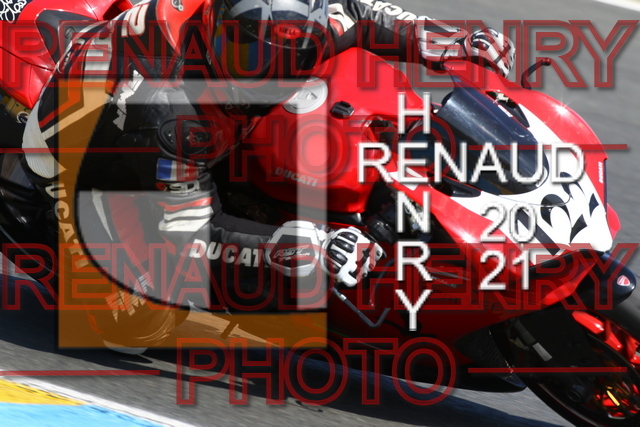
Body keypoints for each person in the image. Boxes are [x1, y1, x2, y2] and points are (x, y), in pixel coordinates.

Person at [22, 0, 515, 350]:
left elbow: (358, 14)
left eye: (290, 58)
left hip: (189, 108)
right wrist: (285, 246)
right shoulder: (170, 115)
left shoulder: (284, 26)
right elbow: (188, 238)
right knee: (135, 324)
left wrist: (452, 41)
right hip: (86, 150)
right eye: (250, 56)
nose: (267, 74)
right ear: (216, 28)